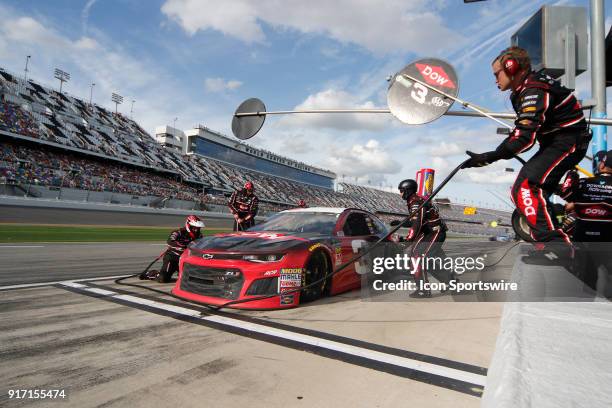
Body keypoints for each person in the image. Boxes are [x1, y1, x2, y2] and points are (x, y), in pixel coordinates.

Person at [463, 46, 590, 245]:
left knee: (525, 187)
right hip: (559, 142)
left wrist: (489, 157)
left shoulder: (534, 88)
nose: (495, 79)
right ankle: (563, 232)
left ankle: (555, 246)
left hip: (567, 141)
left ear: (511, 67)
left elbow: (524, 139)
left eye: (497, 74)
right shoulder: (524, 90)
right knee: (536, 190)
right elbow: (522, 134)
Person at [560, 150, 612, 294]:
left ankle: (587, 308)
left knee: (587, 279)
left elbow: (565, 193)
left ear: (602, 165)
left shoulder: (584, 183)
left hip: (583, 238)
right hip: (608, 238)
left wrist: (571, 174)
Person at [398, 179, 451, 298]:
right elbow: (416, 220)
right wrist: (401, 223)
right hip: (429, 233)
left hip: (434, 232)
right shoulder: (414, 200)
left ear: (407, 191)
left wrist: (408, 240)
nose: (400, 194)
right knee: (423, 259)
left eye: (401, 191)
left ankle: (424, 290)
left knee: (418, 259)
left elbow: (417, 223)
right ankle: (450, 281)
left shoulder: (416, 202)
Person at [140, 215, 204, 283]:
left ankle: (180, 273)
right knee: (163, 279)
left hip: (185, 260)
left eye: (198, 228)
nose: (196, 230)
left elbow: (203, 245)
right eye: (194, 227)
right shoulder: (178, 232)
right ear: (188, 225)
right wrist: (185, 247)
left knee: (192, 278)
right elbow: (170, 242)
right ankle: (152, 273)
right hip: (172, 258)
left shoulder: (200, 236)